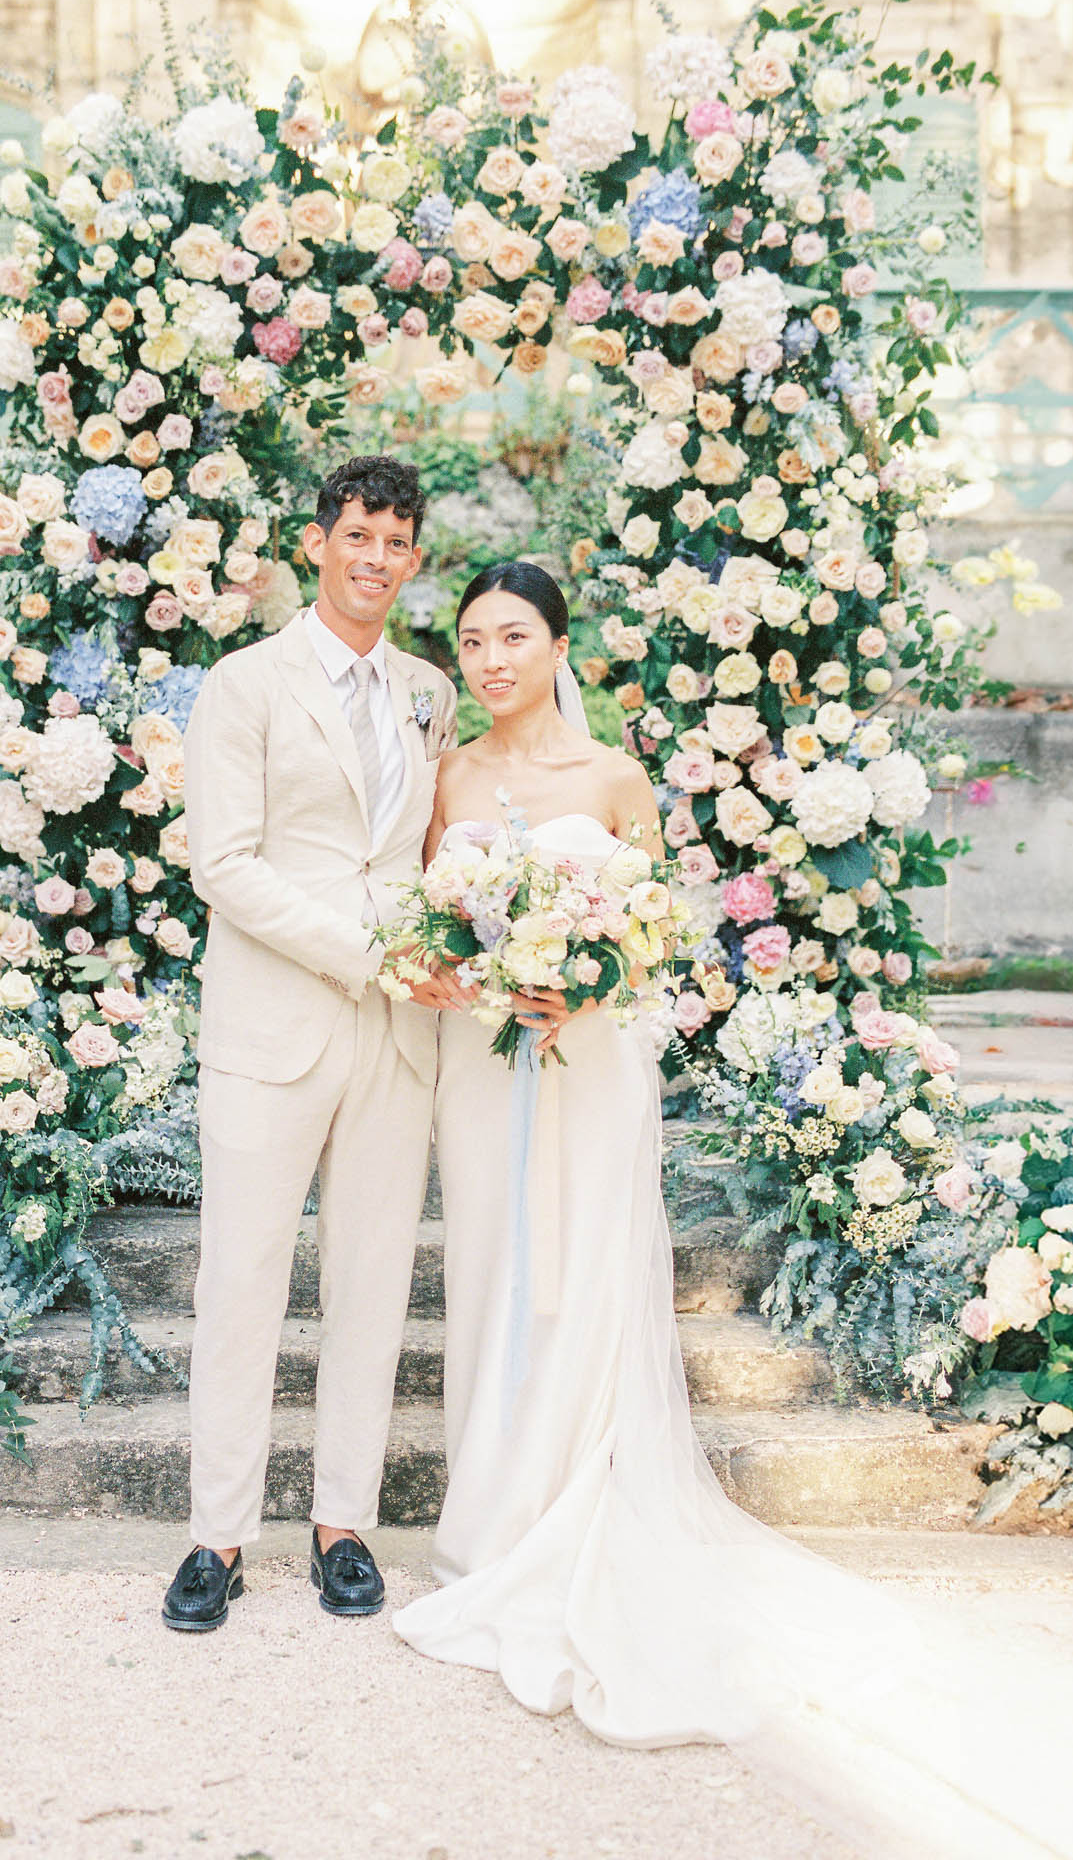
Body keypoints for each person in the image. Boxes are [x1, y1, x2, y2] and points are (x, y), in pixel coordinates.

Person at [393, 562, 1071, 1860]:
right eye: (472, 639)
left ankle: (563, 1500)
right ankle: (493, 1506)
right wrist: (484, 975)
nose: (489, 658)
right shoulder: (451, 781)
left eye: (512, 637)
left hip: (588, 1063)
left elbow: (655, 943)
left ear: (557, 645)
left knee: (579, 1271)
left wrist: (577, 984)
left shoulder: (612, 781)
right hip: (484, 1068)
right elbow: (430, 937)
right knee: (494, 1270)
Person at [162, 454, 461, 1633]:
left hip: (396, 1038)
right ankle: (216, 1535)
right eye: (357, 534)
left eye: (396, 539)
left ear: (413, 556)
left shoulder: (430, 689)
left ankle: (344, 1522)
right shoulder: (245, 684)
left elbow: (429, 858)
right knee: (239, 1282)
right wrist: (363, 953)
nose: (375, 556)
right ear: (316, 543)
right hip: (274, 1025)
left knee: (373, 1285)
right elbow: (222, 863)